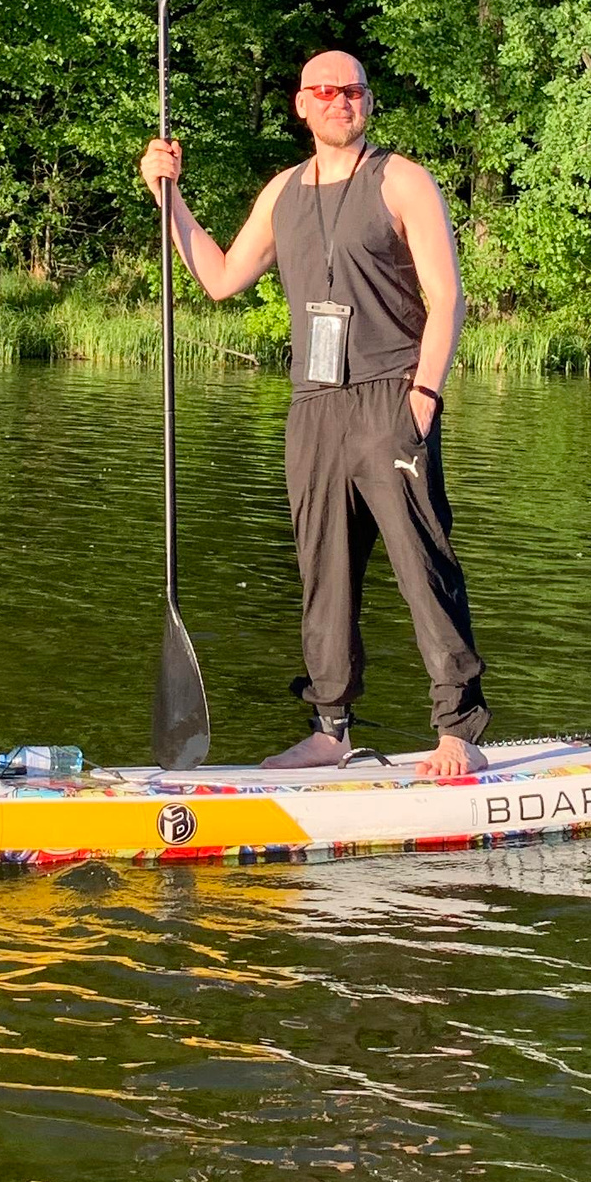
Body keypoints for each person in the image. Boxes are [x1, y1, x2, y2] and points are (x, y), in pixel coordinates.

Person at [138, 50, 487, 777]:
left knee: (424, 564)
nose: (341, 100)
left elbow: (447, 296)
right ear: (302, 105)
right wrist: (168, 197)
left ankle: (458, 729)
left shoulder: (402, 180)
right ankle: (331, 726)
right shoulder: (283, 192)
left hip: (391, 395)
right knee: (322, 572)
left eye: (353, 90)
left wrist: (423, 397)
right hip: (314, 406)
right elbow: (221, 276)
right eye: (325, 90)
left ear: (368, 101)